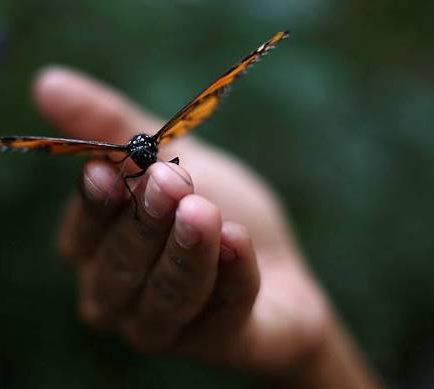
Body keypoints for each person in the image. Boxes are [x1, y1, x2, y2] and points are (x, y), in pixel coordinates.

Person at [34, 66, 380, 388]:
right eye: (139, 154)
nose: (144, 155)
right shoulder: (124, 160)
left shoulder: (164, 150)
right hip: (134, 198)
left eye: (148, 152)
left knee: (166, 187)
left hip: (177, 202)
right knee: (121, 188)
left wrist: (312, 351)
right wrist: (315, 355)